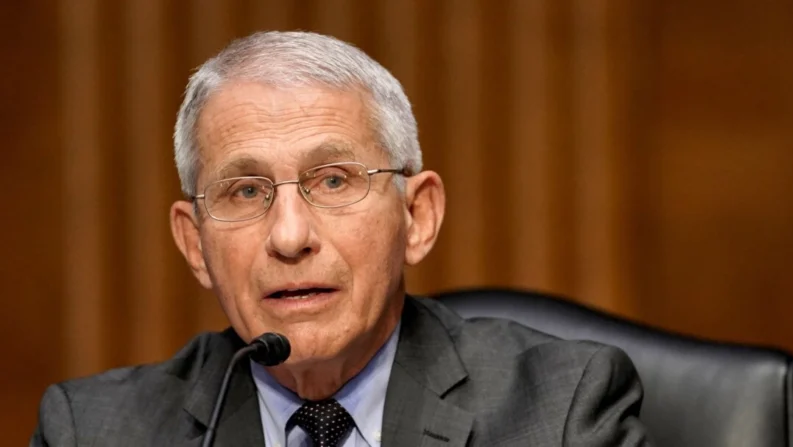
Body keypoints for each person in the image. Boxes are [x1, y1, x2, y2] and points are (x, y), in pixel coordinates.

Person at [31, 31, 651, 446]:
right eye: (245, 192)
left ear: (419, 217)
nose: (291, 236)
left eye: (332, 181)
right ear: (196, 244)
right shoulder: (92, 430)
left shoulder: (562, 410)